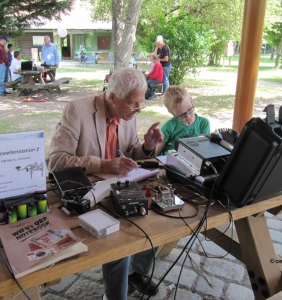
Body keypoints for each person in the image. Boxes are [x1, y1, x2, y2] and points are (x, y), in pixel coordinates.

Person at [47, 67, 163, 300]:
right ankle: (115, 295)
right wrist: (103, 165)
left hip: (120, 187)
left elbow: (129, 154)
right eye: (133, 103)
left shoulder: (129, 114)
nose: (139, 109)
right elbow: (56, 161)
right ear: (112, 97)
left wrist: (147, 147)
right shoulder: (77, 110)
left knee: (157, 221)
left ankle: (136, 273)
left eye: (141, 103)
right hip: (87, 195)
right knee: (118, 244)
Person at [155, 86, 210, 156]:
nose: (188, 116)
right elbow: (155, 152)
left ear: (191, 101)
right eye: (181, 115)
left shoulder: (204, 123)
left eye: (189, 110)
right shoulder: (169, 126)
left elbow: (204, 149)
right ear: (172, 114)